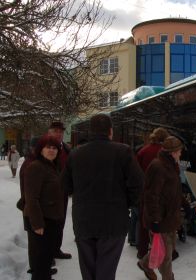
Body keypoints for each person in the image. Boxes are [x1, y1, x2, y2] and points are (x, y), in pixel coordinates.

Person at [62, 114, 143, 280]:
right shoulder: (123, 152)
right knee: (106, 270)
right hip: (113, 222)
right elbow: (138, 185)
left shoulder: (75, 154)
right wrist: (124, 204)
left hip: (83, 221)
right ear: (110, 131)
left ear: (90, 132)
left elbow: (64, 186)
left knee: (88, 271)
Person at [138, 136, 184, 280]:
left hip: (170, 217)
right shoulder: (158, 167)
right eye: (179, 151)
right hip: (161, 218)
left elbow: (173, 190)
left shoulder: (172, 165)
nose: (181, 154)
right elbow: (151, 196)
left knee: (164, 251)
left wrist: (185, 204)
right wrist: (155, 220)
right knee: (166, 256)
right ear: (172, 152)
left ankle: (145, 264)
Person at [23, 135, 64, 280]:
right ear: (41, 150)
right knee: (41, 262)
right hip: (41, 222)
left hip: (50, 219)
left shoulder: (51, 166)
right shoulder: (36, 167)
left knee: (46, 260)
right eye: (48, 147)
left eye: (54, 148)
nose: (51, 151)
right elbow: (31, 198)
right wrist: (38, 224)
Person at [136, 127, 169, 259]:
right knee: (162, 222)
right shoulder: (165, 153)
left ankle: (142, 251)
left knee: (144, 222)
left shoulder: (143, 151)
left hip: (145, 192)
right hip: (162, 193)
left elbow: (136, 171)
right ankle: (162, 251)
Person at [48, 120, 72, 259]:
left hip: (62, 193)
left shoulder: (67, 149)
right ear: (49, 132)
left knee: (60, 223)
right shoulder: (44, 148)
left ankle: (56, 249)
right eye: (55, 131)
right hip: (48, 194)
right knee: (49, 224)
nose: (58, 134)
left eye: (60, 131)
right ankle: (48, 255)